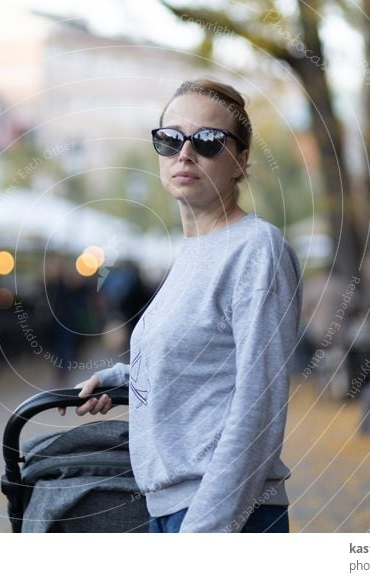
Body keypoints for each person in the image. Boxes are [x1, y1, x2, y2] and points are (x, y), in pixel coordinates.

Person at [58, 78, 303, 533]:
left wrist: (203, 531)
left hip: (221, 514)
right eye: (170, 139)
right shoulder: (193, 251)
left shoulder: (254, 249)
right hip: (173, 510)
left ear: (240, 161)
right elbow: (210, 370)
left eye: (208, 142)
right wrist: (125, 382)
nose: (184, 154)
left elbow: (258, 406)